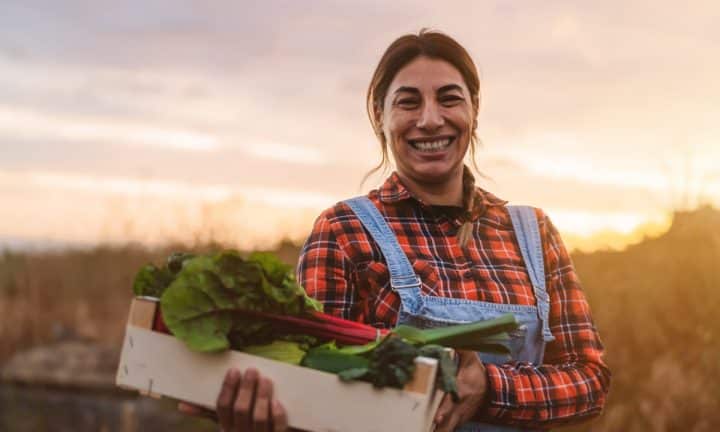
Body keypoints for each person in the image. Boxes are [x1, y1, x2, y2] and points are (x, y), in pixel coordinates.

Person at [181, 29, 611, 432]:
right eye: (408, 102)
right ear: (379, 115)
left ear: (473, 110)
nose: (430, 120)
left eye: (449, 99)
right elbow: (315, 387)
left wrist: (491, 388)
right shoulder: (344, 231)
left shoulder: (534, 233)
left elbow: (590, 379)